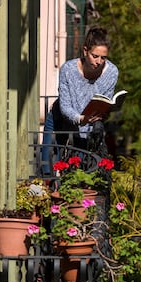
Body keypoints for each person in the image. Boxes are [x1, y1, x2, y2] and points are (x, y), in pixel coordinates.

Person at [41, 26, 119, 174]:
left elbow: (105, 101)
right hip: (60, 121)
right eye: (95, 56)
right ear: (85, 51)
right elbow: (65, 106)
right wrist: (81, 118)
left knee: (80, 172)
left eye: (103, 57)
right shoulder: (68, 69)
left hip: (88, 127)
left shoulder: (112, 72)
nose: (99, 61)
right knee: (49, 169)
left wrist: (104, 112)